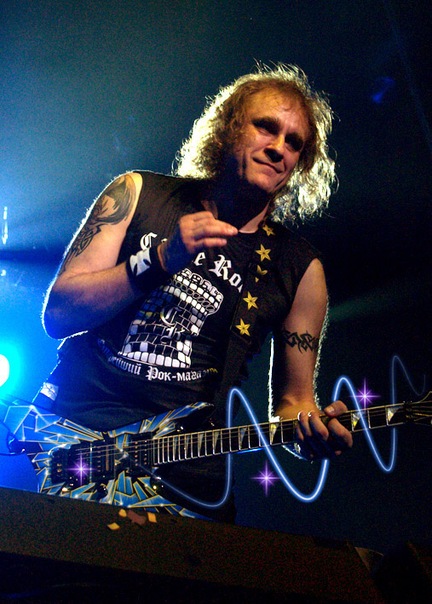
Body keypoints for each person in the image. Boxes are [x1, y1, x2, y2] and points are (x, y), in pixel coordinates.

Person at [34, 63, 353, 521]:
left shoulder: (299, 267)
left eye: (294, 142)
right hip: (75, 436)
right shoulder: (138, 193)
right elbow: (59, 314)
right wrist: (160, 259)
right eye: (266, 127)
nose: (278, 147)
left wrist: (311, 433)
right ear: (228, 127)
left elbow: (293, 403)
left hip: (186, 477)